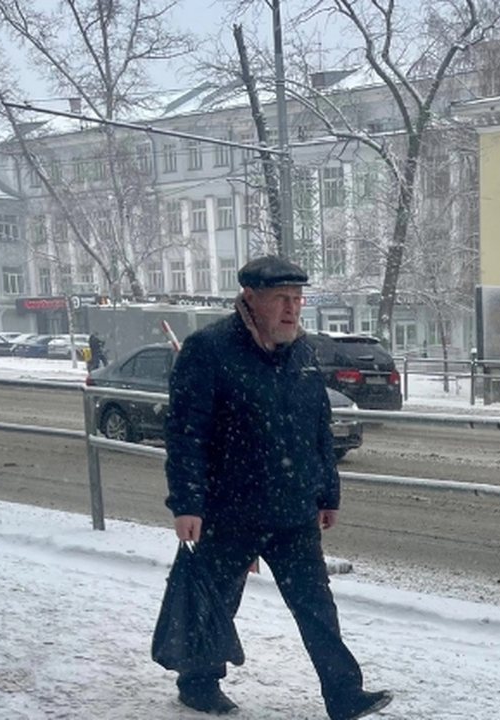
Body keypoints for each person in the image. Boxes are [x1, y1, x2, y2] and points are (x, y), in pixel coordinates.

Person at [163, 255, 393, 720]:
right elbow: (186, 433)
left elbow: (318, 427)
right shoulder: (209, 349)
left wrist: (327, 493)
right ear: (251, 298)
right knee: (217, 601)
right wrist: (188, 504)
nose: (292, 309)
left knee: (317, 607)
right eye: (281, 300)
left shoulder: (302, 351)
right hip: (231, 509)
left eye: (297, 299)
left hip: (292, 510)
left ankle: (344, 694)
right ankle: (198, 682)